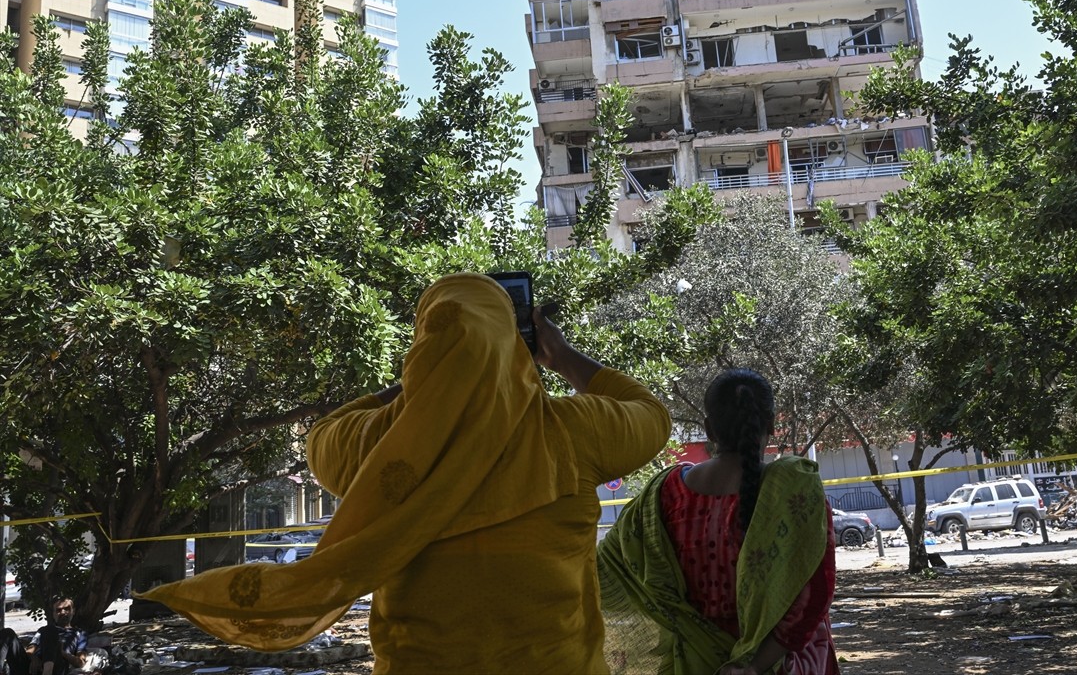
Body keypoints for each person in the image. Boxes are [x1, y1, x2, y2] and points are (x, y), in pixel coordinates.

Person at [142, 272, 671, 673]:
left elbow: (322, 435)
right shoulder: (570, 430)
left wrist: (425, 385)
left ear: (422, 347)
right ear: (520, 344)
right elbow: (651, 414)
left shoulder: (377, 443)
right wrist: (560, 356)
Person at [598, 369, 839, 675]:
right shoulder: (794, 495)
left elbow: (607, 571)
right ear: (771, 424)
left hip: (691, 663)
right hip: (778, 664)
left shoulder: (663, 496)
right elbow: (814, 595)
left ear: (709, 430)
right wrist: (753, 666)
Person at [29, 597, 87, 675]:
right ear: (53, 614)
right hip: (35, 665)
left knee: (51, 630)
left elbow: (80, 662)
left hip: (58, 665)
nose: (63, 612)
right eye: (58, 610)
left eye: (67, 609)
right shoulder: (43, 630)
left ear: (73, 611)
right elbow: (29, 651)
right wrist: (34, 658)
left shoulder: (80, 633)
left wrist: (63, 653)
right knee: (8, 633)